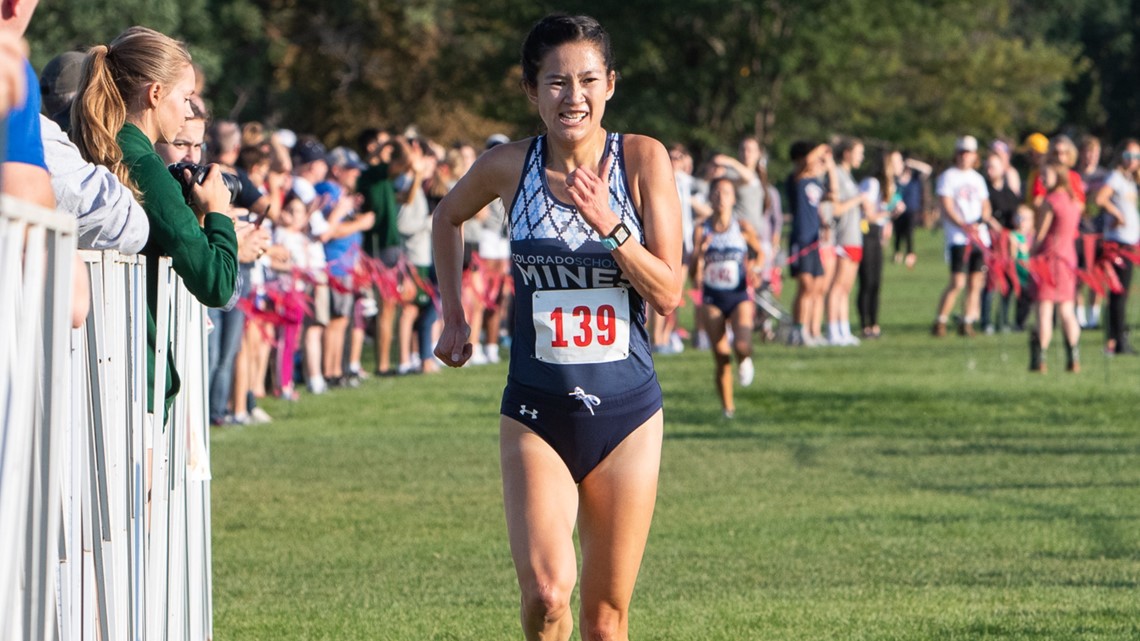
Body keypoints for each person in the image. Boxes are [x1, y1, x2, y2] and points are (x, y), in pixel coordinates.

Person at [431, 15, 682, 641]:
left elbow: (668, 293)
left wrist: (610, 224)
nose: (574, 97)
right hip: (537, 412)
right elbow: (447, 217)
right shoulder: (507, 166)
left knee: (605, 623)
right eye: (556, 82)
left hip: (627, 416)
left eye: (588, 80)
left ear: (610, 85)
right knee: (546, 597)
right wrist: (454, 314)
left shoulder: (642, 159)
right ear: (531, 90)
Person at [70, 26, 247, 420]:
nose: (187, 111)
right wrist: (218, 213)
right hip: (135, 377)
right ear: (155, 94)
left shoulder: (87, 146)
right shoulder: (145, 166)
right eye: (185, 98)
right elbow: (217, 284)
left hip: (82, 365)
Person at [692, 177, 762, 418]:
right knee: (721, 356)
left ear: (733, 198)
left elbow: (759, 253)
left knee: (742, 345)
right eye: (717, 192)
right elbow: (693, 273)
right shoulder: (702, 229)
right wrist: (701, 252)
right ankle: (727, 409)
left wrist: (755, 269)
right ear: (710, 197)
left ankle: (744, 360)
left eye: (726, 192)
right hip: (712, 297)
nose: (721, 197)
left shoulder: (741, 227)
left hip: (738, 295)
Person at [931, 135, 998, 338]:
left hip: (979, 237)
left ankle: (967, 320)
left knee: (975, 282)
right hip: (958, 238)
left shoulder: (977, 179)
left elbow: (986, 205)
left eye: (968, 153)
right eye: (961, 152)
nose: (964, 156)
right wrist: (963, 225)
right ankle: (941, 320)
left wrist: (980, 221)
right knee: (957, 282)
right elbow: (947, 206)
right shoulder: (948, 177)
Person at [1029, 162, 1083, 373]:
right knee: (1067, 311)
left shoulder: (1050, 201)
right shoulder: (1073, 201)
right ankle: (1073, 358)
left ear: (1058, 176)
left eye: (1045, 175)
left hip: (1049, 258)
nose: (1041, 180)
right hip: (1068, 258)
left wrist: (1030, 252)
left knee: (1044, 310)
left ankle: (1040, 359)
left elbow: (1041, 233)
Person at [1094, 140, 1140, 356]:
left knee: (1122, 294)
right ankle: (1116, 341)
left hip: (1129, 241)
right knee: (1118, 294)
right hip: (1117, 243)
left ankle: (1118, 338)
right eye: (1128, 156)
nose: (1132, 161)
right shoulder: (1115, 177)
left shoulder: (1130, 180)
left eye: (1137, 157)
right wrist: (1117, 215)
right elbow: (1100, 199)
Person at [785, 140, 829, 346]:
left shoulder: (815, 182)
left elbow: (832, 193)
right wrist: (822, 147)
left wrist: (829, 164)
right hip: (800, 240)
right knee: (806, 286)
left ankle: (813, 330)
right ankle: (798, 331)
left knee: (817, 287)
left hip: (814, 241)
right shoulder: (796, 179)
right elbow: (805, 164)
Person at [825, 137, 868, 346]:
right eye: (859, 153)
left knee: (846, 288)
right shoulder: (838, 174)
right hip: (842, 237)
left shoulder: (849, 176)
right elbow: (835, 208)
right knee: (837, 286)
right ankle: (833, 330)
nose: (862, 157)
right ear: (847, 153)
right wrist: (858, 199)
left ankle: (844, 330)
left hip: (854, 237)